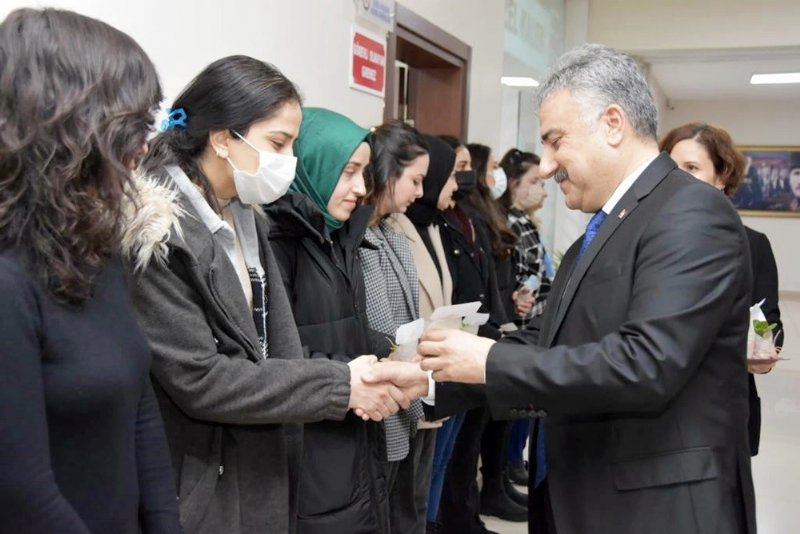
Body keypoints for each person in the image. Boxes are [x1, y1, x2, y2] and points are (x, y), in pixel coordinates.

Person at [373, 43, 757, 534]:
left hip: (655, 508)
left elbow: (647, 363)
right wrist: (433, 380)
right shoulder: (603, 229)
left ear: (613, 124)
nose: (548, 165)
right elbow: (551, 341)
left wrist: (488, 361)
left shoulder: (691, 213)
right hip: (583, 495)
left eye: (556, 141)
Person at [133, 60, 410, 534]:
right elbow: (202, 380)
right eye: (277, 144)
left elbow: (275, 347)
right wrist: (341, 384)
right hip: (200, 480)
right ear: (223, 139)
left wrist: (357, 374)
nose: (287, 162)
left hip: (262, 463)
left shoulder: (246, 217)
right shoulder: (158, 233)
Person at [0, 8, 180, 533]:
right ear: (72, 127)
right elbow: (18, 491)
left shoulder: (91, 250)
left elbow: (138, 407)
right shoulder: (8, 280)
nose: (143, 146)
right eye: (132, 125)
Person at [267, 107, 421, 533]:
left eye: (365, 172)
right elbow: (272, 353)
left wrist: (391, 354)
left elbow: (343, 330)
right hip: (309, 453)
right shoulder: (276, 243)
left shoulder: (337, 238)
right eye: (349, 171)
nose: (361, 187)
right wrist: (355, 378)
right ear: (313, 163)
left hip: (350, 444)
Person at [660, 121, 784, 455]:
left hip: (721, 409)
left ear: (721, 178)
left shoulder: (752, 245)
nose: (679, 177)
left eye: (692, 168)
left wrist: (762, 348)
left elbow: (766, 319)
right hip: (655, 409)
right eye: (671, 167)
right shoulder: (645, 241)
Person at [359, 120, 433, 532]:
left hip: (406, 391)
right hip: (378, 394)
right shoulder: (359, 239)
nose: (420, 192)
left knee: (405, 508)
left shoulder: (391, 233)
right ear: (387, 171)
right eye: (415, 180)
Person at [391, 134, 461, 533]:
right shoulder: (395, 228)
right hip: (407, 376)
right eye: (449, 176)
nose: (453, 187)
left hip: (435, 374)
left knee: (424, 488)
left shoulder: (436, 228)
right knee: (404, 498)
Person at [497, 149, 554, 487]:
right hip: (519, 328)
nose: (543, 191)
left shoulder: (528, 222)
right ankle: (507, 466)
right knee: (516, 405)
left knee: (526, 406)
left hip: (534, 324)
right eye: (535, 182)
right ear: (513, 183)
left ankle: (514, 462)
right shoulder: (510, 223)